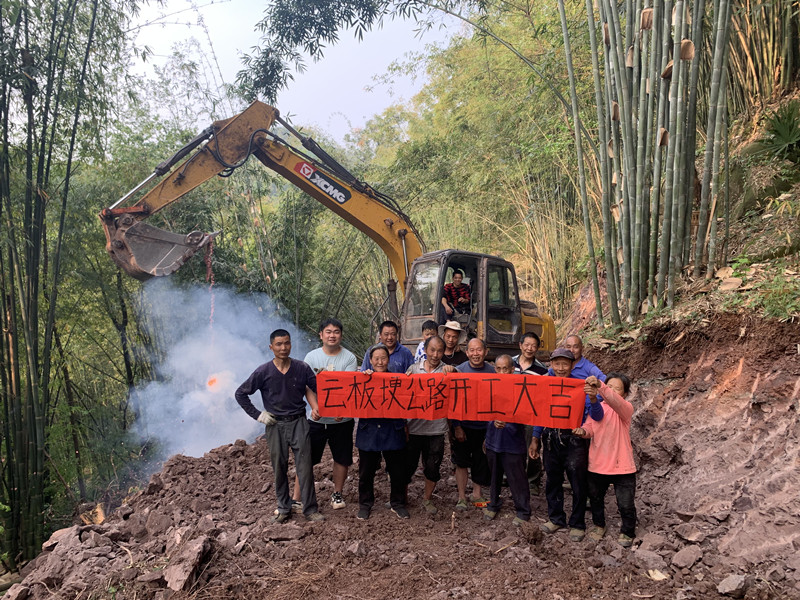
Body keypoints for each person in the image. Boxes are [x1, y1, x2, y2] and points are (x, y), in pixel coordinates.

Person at [235, 329, 324, 523]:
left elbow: (321, 388)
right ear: (271, 347)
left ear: (291, 344)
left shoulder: (302, 368)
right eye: (279, 344)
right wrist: (258, 415)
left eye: (287, 343)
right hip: (275, 424)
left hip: (299, 422)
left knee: (305, 467)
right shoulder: (263, 371)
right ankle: (284, 508)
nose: (283, 347)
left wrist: (330, 405)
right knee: (279, 467)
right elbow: (240, 393)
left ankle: (310, 509)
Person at [529, 348, 603, 541]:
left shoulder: (581, 386)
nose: (561, 368)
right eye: (557, 363)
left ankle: (577, 523)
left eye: (565, 364)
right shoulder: (545, 385)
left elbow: (596, 415)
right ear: (551, 365)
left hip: (575, 439)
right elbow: (540, 413)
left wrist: (593, 397)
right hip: (550, 438)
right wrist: (535, 438)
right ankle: (556, 518)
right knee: (552, 481)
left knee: (578, 482)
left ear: (572, 365)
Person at [297, 318, 357, 512]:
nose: (332, 335)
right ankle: (297, 497)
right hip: (316, 419)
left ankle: (337, 493)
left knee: (341, 458)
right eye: (328, 332)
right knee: (306, 458)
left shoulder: (349, 358)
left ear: (341, 335)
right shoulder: (311, 357)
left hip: (342, 420)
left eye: (336, 332)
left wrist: (341, 410)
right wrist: (314, 407)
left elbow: (349, 387)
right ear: (321, 335)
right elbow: (307, 386)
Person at [574, 374, 637, 548]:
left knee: (625, 503)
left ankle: (628, 531)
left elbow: (614, 400)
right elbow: (590, 427)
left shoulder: (625, 409)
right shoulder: (597, 408)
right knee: (595, 499)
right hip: (598, 463)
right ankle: (599, 525)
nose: (612, 391)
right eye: (610, 386)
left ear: (624, 394)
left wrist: (601, 386)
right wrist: (583, 431)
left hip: (622, 465)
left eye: (617, 388)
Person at [356, 345, 408, 521]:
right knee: (366, 471)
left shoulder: (398, 380)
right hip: (369, 430)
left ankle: (398, 503)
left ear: (389, 360)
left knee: (397, 470)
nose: (380, 362)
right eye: (376, 359)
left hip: (393, 429)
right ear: (370, 360)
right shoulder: (363, 379)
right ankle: (365, 504)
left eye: (383, 358)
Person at [405, 336, 455, 516]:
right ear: (425, 350)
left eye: (440, 351)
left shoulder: (447, 371)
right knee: (407, 466)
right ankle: (402, 498)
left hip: (436, 430)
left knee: (433, 467)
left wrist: (453, 372)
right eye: (432, 350)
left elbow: (459, 393)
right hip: (414, 428)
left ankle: (427, 499)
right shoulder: (413, 369)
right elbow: (403, 395)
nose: (435, 354)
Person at [483, 355, 532, 526]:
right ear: (494, 369)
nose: (502, 372)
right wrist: (492, 422)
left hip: (513, 442)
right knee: (494, 476)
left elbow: (527, 413)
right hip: (493, 440)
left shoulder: (520, 388)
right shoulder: (490, 388)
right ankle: (494, 503)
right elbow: (483, 411)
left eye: (506, 369)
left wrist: (509, 422)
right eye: (498, 368)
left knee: (517, 477)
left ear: (512, 370)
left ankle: (523, 510)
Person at [452, 338, 493, 510]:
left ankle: (477, 493)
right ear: (467, 352)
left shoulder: (492, 372)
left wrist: (490, 430)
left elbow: (496, 402)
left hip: (483, 426)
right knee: (461, 462)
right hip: (463, 425)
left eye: (479, 350)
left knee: (480, 460)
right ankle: (461, 496)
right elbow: (454, 401)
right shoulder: (459, 371)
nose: (476, 354)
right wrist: (457, 426)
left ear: (486, 352)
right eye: (472, 350)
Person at [513, 332, 547, 495]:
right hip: (511, 412)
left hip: (531, 413)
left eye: (533, 346)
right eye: (526, 345)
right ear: (520, 345)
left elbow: (543, 395)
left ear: (537, 348)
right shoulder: (509, 363)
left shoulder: (542, 369)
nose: (529, 348)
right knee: (510, 444)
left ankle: (533, 480)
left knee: (533, 444)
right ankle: (508, 475)